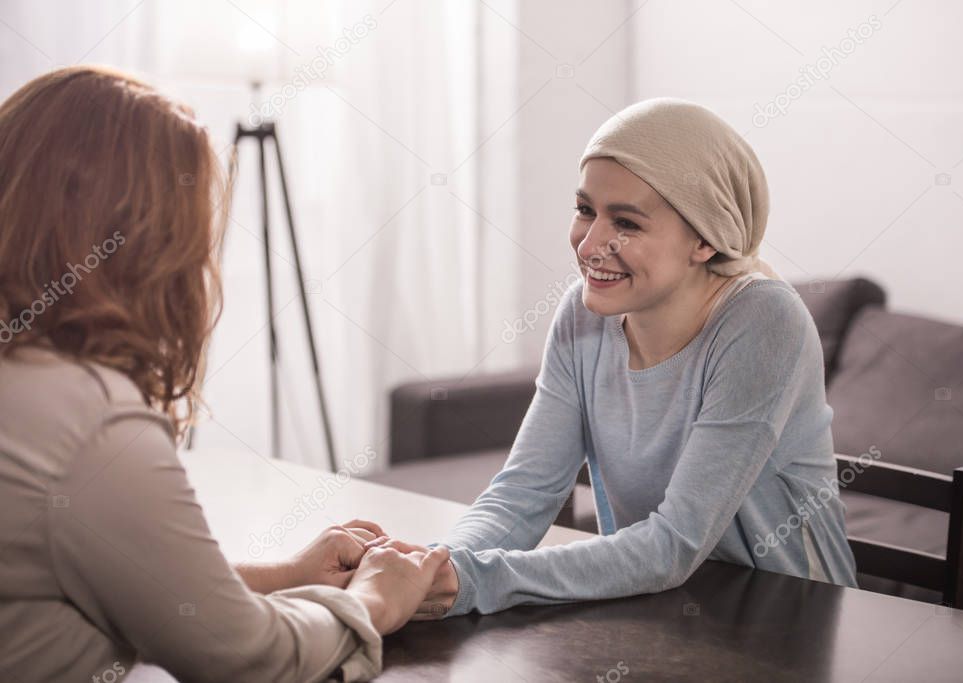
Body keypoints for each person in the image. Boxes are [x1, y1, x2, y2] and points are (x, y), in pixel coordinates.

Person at [0, 66, 448, 682]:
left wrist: (286, 577)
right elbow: (247, 660)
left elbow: (124, 585)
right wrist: (373, 598)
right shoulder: (90, 425)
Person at [376, 98, 859, 618]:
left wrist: (475, 579)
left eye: (625, 223)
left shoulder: (764, 323)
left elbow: (672, 545)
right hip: (654, 611)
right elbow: (523, 492)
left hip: (786, 630)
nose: (591, 246)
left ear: (704, 239)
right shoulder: (582, 316)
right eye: (586, 210)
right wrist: (433, 564)